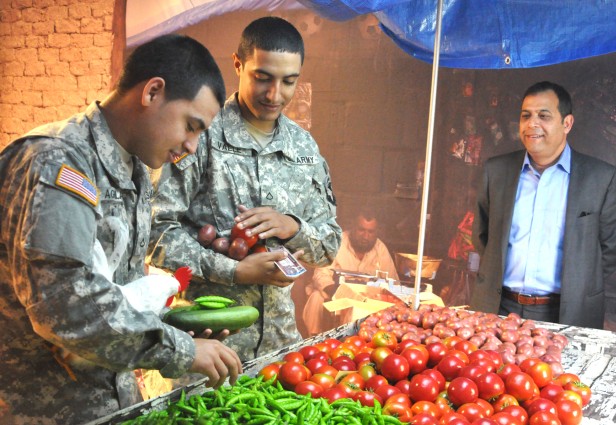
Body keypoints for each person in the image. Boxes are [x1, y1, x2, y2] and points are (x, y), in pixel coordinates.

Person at [0, 34, 242, 424]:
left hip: (109, 402)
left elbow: (117, 292)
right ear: (152, 92)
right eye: (191, 125)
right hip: (47, 410)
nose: (193, 146)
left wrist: (176, 327)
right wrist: (178, 350)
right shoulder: (59, 162)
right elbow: (67, 306)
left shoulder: (133, 171)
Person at [148, 17, 341, 361]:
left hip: (278, 348)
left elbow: (328, 246)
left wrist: (293, 228)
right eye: (262, 78)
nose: (274, 94)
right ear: (238, 64)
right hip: (204, 344)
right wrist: (233, 272)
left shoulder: (304, 148)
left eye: (288, 81)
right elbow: (155, 233)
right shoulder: (200, 134)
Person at [471, 81, 616, 329]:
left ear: (567, 123)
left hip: (567, 314)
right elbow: (482, 235)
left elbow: (611, 249)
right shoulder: (497, 171)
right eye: (526, 116)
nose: (532, 124)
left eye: (543, 116)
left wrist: (578, 282)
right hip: (498, 309)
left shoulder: (600, 178)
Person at [303, 210, 399, 335]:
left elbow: (393, 282)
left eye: (370, 232)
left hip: (367, 299)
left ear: (377, 232)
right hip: (335, 293)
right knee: (316, 296)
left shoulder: (380, 248)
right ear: (353, 226)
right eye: (361, 230)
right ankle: (313, 340)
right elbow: (320, 275)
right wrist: (339, 292)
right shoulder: (337, 242)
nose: (365, 236)